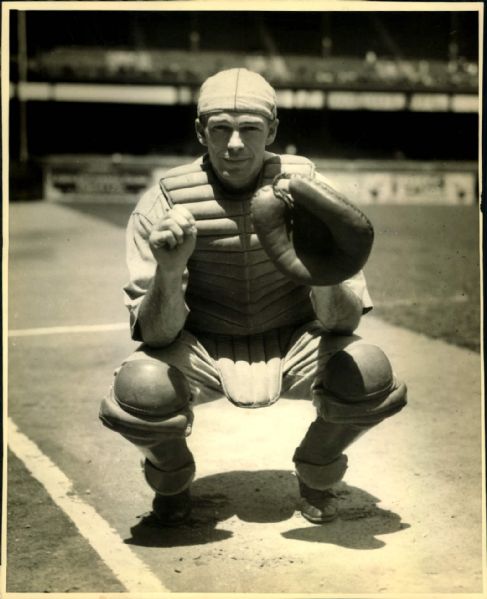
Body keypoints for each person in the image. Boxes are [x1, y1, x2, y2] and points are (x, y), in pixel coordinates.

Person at [99, 68, 407, 526]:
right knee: (139, 390)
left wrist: (318, 267)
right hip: (201, 340)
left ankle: (317, 474)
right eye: (220, 128)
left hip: (293, 336)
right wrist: (169, 269)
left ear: (274, 131)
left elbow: (343, 324)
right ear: (201, 131)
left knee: (370, 373)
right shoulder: (164, 203)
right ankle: (172, 480)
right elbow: (158, 333)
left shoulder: (311, 190)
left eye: (250, 128)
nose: (235, 144)